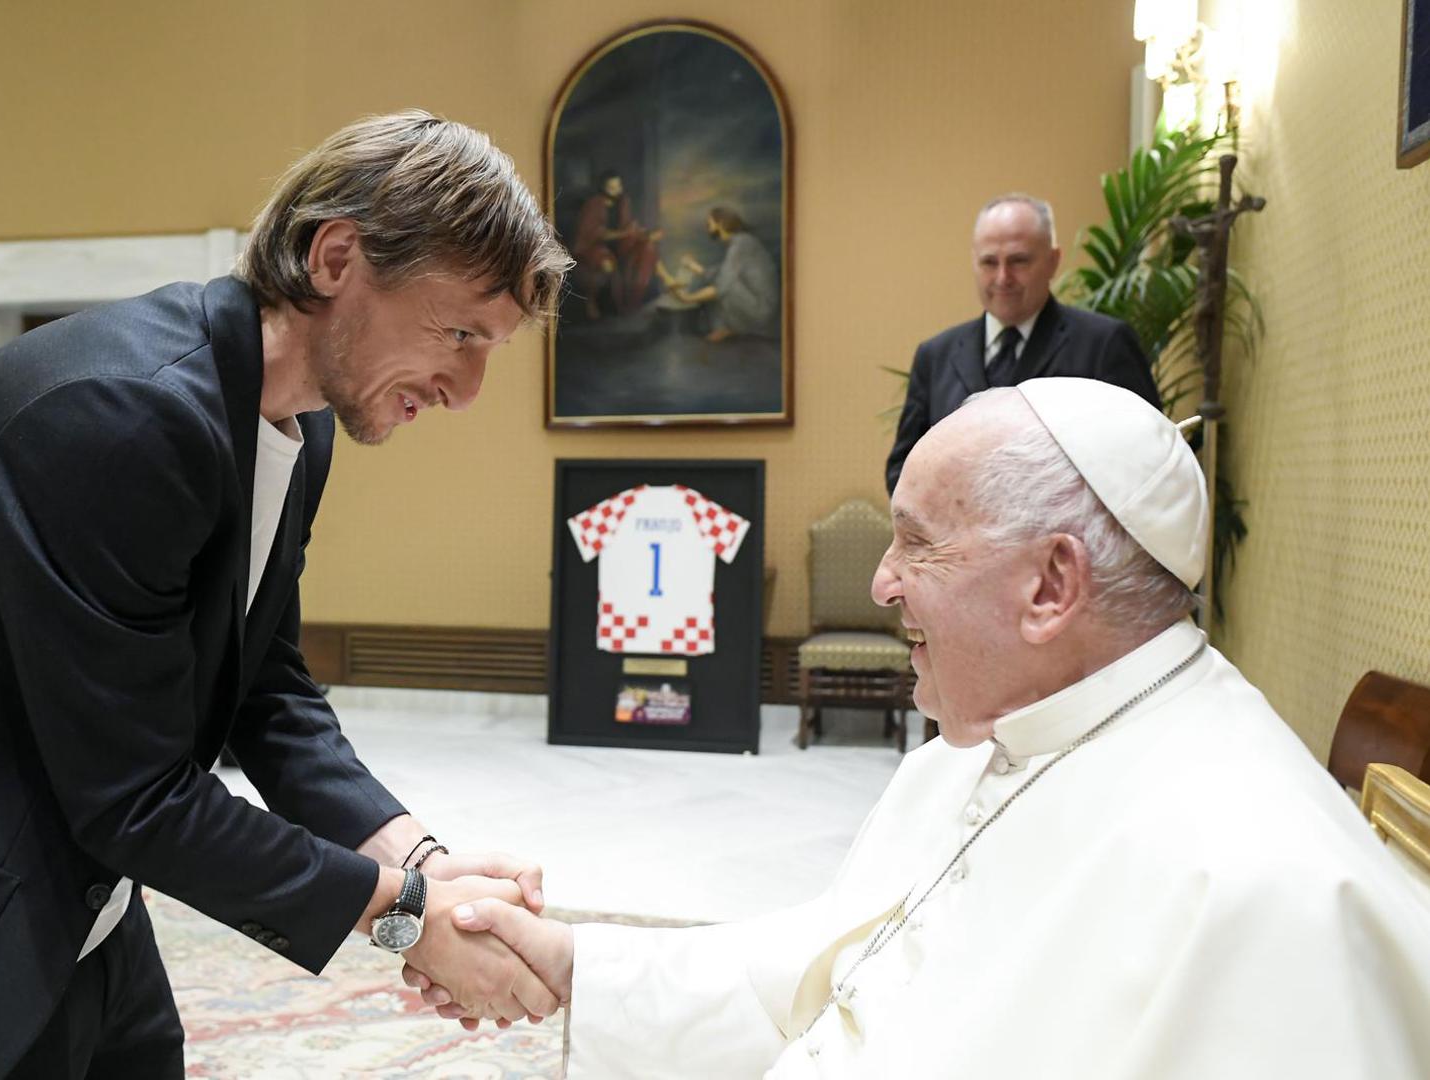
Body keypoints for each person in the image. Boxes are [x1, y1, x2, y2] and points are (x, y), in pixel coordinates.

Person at [0, 111, 572, 1079]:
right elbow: (135, 794)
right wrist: (403, 920)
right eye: (459, 330)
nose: (466, 390)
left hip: (82, 890)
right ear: (335, 257)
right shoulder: (120, 413)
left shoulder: (296, 423)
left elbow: (267, 689)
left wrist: (419, 861)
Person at [413, 378, 1430, 1078]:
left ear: (1049, 585)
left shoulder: (1268, 890)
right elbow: (832, 973)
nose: (879, 582)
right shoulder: (992, 743)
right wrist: (573, 963)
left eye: (918, 545)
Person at [884, 193, 1160, 502]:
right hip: (957, 548)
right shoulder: (935, 356)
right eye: (989, 262)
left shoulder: (1104, 344)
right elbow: (903, 470)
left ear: (1053, 261)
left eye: (1018, 261)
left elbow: (1146, 461)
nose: (1003, 278)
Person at [662, 207, 779, 342]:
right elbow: (721, 272)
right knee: (721, 280)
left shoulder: (741, 244)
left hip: (762, 308)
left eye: (709, 223)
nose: (707, 227)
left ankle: (726, 329)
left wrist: (688, 298)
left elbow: (723, 285)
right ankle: (725, 328)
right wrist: (692, 266)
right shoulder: (740, 242)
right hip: (757, 302)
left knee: (723, 286)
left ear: (721, 224)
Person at [571, 170, 663, 320]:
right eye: (611, 187)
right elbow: (593, 234)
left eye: (618, 186)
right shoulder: (594, 204)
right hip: (594, 247)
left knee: (648, 249)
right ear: (603, 188)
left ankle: (632, 304)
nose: (616, 190)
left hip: (620, 245)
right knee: (607, 264)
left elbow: (629, 227)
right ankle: (593, 302)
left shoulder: (623, 202)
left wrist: (646, 235)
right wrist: (624, 233)